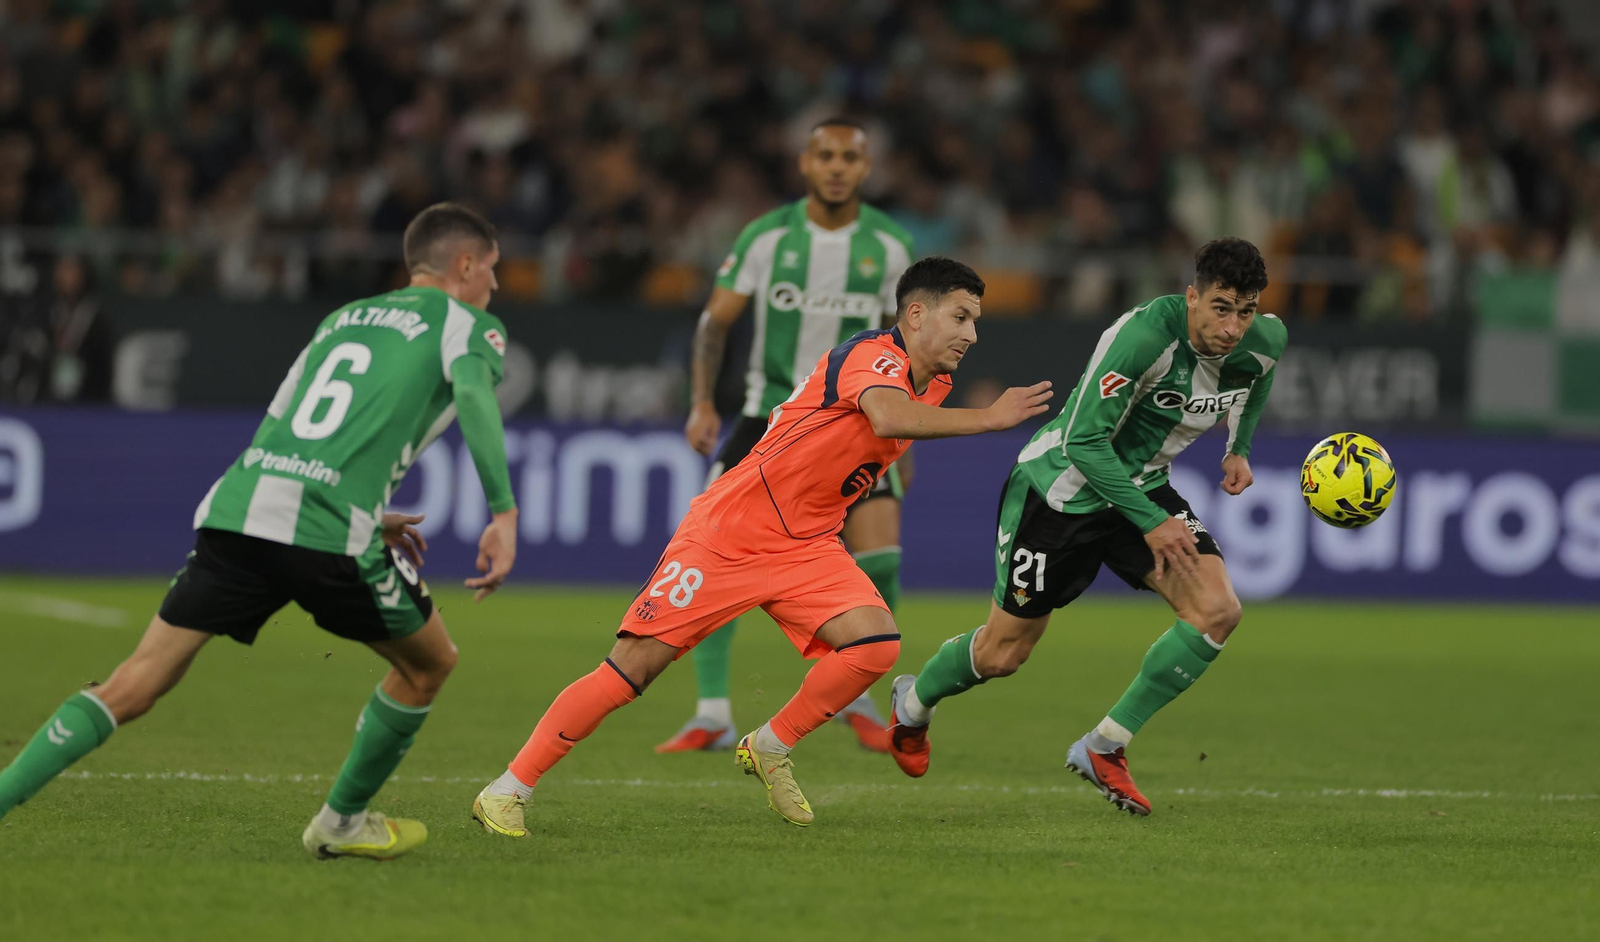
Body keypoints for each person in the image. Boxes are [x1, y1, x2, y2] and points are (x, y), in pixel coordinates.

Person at [0, 203, 520, 860]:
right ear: (465, 265)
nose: (494, 284)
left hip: (242, 508)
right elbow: (473, 397)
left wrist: (365, 508)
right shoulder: (469, 325)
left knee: (132, 684)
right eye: (492, 269)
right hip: (323, 528)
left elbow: (286, 424)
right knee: (430, 663)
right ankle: (341, 823)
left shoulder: (342, 319)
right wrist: (503, 513)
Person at [472, 257, 1052, 832]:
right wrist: (988, 418)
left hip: (808, 543)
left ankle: (771, 744)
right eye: (960, 317)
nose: (971, 334)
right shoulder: (873, 355)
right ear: (917, 314)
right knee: (631, 671)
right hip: (731, 532)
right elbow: (884, 416)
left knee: (874, 646)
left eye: (975, 322)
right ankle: (507, 790)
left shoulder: (937, 384)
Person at [885, 238, 1286, 817]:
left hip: (1141, 487)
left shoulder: (1265, 340)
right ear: (1192, 297)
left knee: (1217, 611)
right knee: (1001, 654)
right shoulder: (1142, 338)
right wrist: (1151, 522)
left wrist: (1238, 448)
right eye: (1221, 308)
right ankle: (912, 705)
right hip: (1060, 491)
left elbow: (1258, 378)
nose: (1233, 327)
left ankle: (1105, 745)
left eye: (1245, 311)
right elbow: (1083, 441)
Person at [663, 117, 916, 754]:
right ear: (805, 163)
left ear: (866, 168)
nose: (836, 168)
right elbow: (714, 322)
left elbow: (911, 344)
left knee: (882, 553)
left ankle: (856, 692)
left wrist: (905, 434)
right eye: (825, 156)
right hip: (766, 417)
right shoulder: (766, 236)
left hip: (854, 424)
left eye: (849, 158)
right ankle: (713, 711)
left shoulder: (890, 246)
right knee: (710, 553)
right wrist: (701, 401)